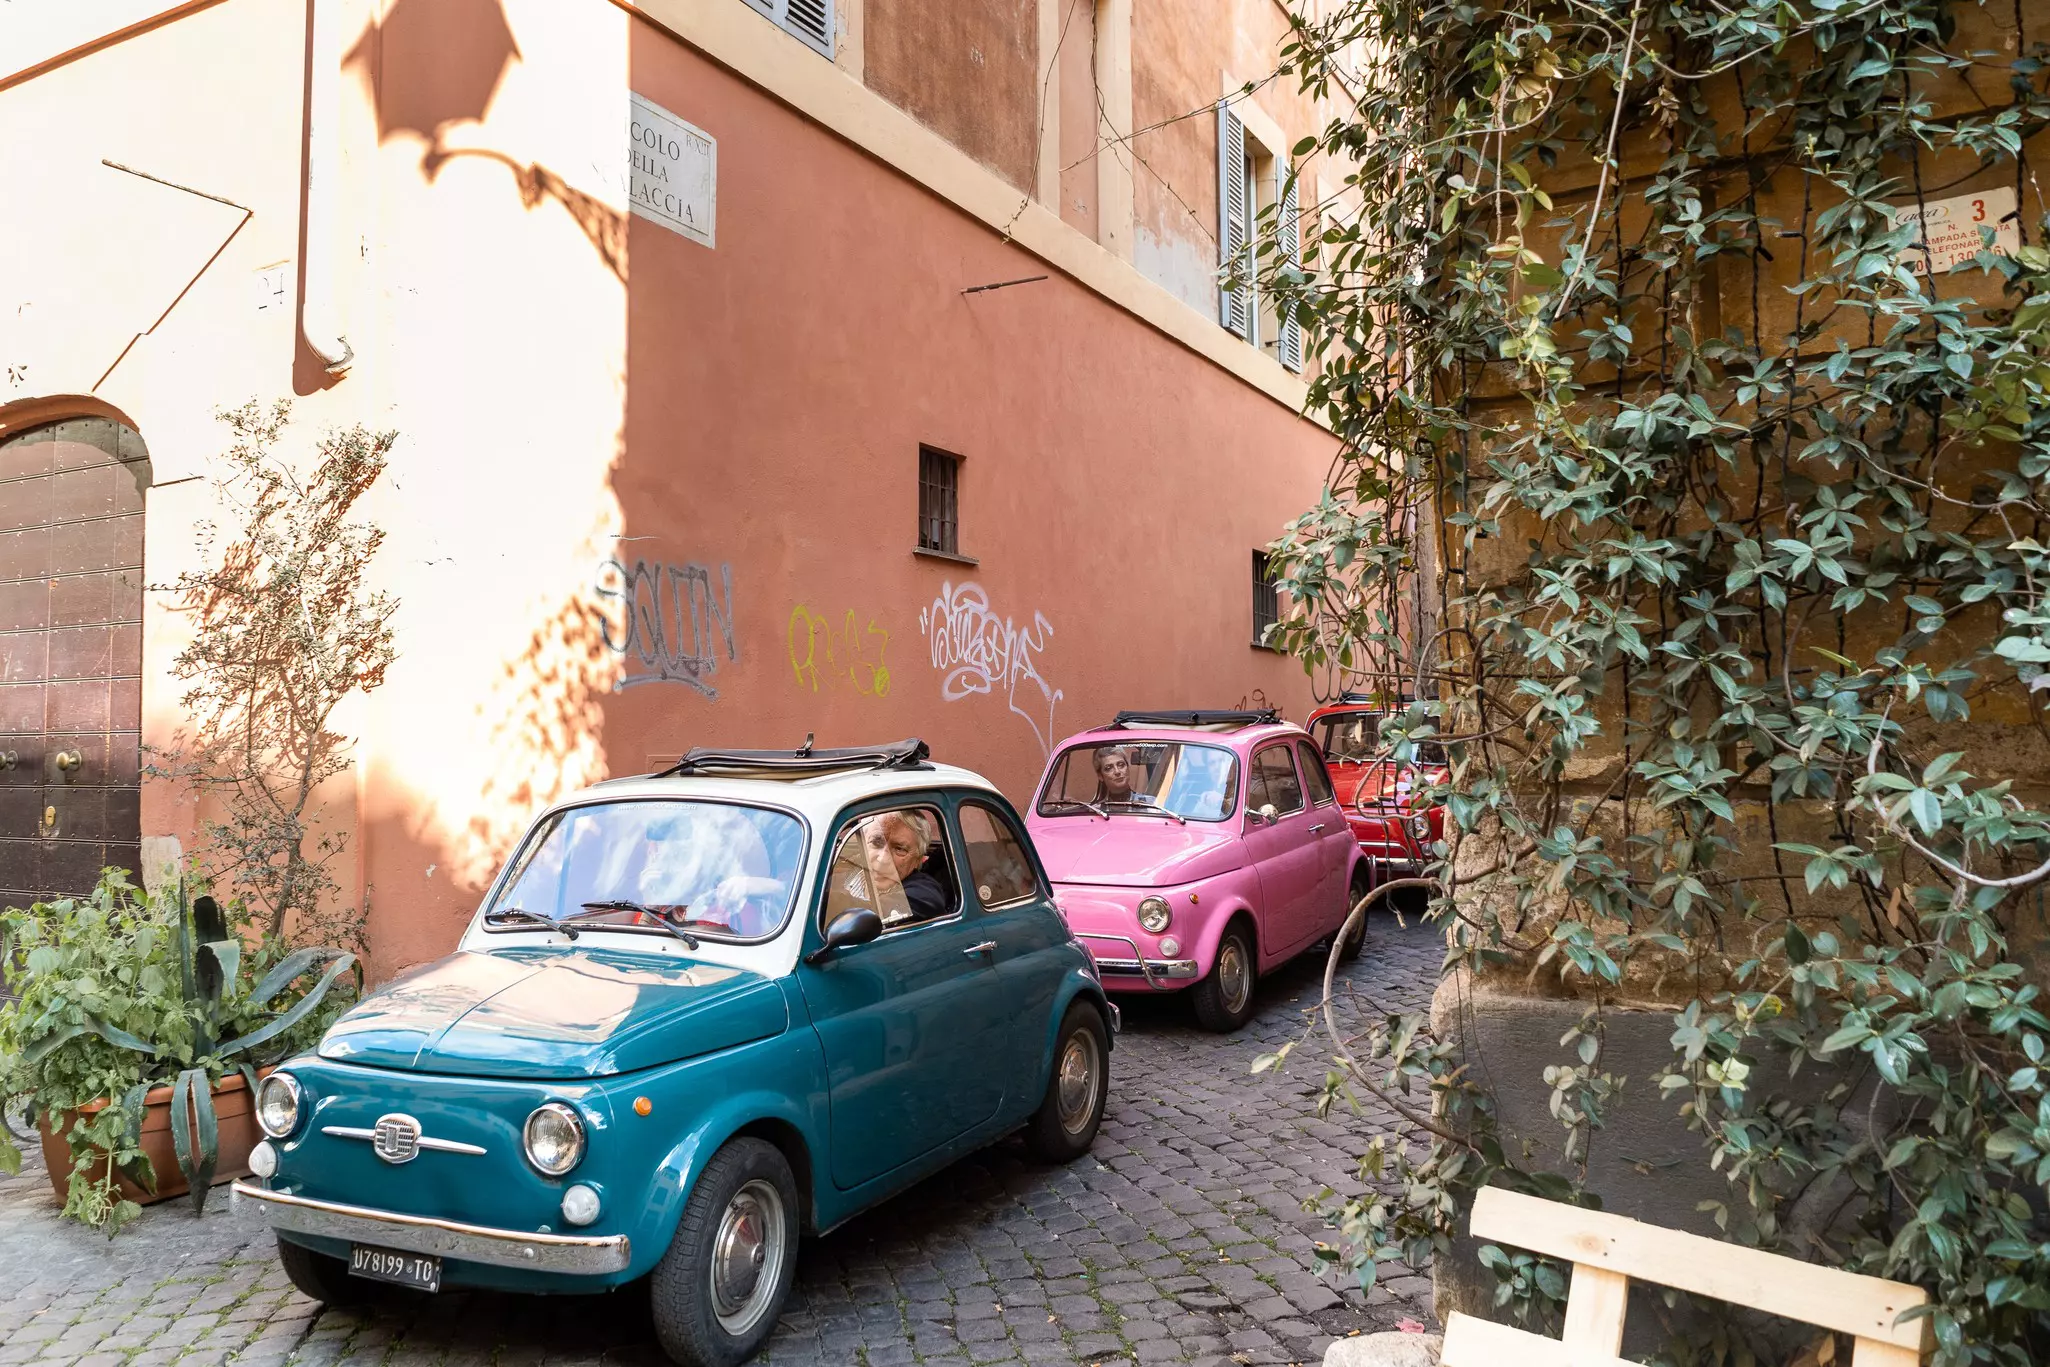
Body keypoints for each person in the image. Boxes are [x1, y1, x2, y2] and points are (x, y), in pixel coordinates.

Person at [858, 810, 948, 925]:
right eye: (876, 842)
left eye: (900, 849)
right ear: (862, 845)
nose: (883, 859)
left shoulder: (924, 892)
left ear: (918, 859)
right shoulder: (836, 877)